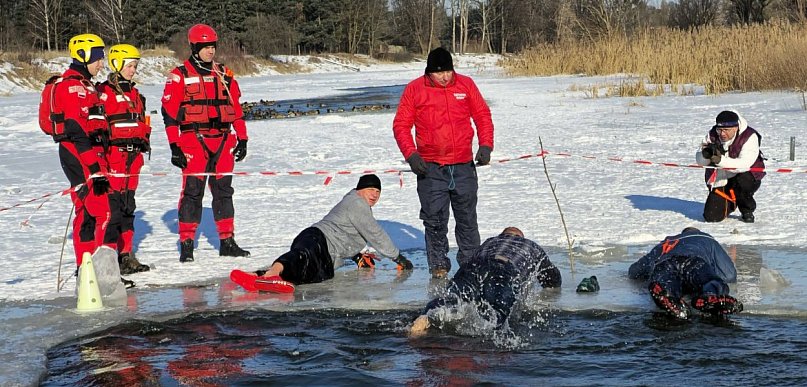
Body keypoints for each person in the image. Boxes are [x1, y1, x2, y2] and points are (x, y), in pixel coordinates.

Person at [392, 47, 494, 278]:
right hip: (430, 168)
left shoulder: (465, 85)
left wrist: (485, 145)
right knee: (435, 220)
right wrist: (411, 155)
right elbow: (401, 126)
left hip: (463, 166)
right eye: (439, 73)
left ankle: (471, 266)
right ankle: (438, 266)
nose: (445, 77)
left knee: (467, 219)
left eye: (448, 71)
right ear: (429, 73)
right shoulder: (415, 89)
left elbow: (482, 115)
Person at [230, 174, 414, 293]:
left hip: (322, 247)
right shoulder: (358, 204)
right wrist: (398, 258)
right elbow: (376, 234)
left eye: (378, 191)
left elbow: (344, 231)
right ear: (359, 191)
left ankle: (256, 277)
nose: (374, 194)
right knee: (302, 257)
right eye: (370, 190)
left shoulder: (354, 203)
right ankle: (271, 274)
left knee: (305, 271)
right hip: (318, 239)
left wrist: (356, 255)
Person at [161, 24, 250, 262]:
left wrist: (243, 138)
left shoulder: (224, 74)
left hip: (223, 140)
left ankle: (227, 241)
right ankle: (187, 243)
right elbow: (169, 114)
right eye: (205, 47)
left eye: (212, 47)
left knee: (224, 192)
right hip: (193, 140)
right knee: (192, 192)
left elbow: (236, 109)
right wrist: (174, 145)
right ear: (194, 47)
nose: (210, 52)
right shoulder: (179, 76)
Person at [409, 227, 561, 336]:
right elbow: (552, 278)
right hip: (504, 270)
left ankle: (423, 319)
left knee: (451, 299)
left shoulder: (491, 241)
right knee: (498, 317)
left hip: (473, 267)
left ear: (502, 235)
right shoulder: (532, 246)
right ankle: (488, 347)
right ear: (521, 237)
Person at [49, 33, 119, 266]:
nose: (101, 64)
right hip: (79, 154)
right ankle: (103, 269)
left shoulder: (86, 85)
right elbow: (77, 131)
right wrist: (94, 169)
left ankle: (86, 268)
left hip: (89, 153)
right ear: (83, 56)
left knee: (87, 214)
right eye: (98, 58)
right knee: (105, 211)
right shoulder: (71, 87)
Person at [97, 43, 151, 275]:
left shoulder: (136, 95)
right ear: (117, 65)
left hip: (133, 158)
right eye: (130, 66)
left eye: (135, 66)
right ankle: (108, 259)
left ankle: (126, 254)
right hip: (113, 158)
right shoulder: (103, 92)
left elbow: (142, 123)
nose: (133, 70)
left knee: (129, 207)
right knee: (113, 209)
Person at [628, 227, 742, 319]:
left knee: (667, 282)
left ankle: (668, 296)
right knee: (711, 281)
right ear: (698, 231)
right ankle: (710, 296)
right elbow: (729, 274)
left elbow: (634, 271)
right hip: (693, 262)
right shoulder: (705, 238)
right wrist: (712, 273)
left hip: (664, 264)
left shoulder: (666, 243)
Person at [695, 110, 765, 223]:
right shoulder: (712, 135)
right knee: (711, 217)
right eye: (719, 130)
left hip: (746, 175)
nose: (722, 134)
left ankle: (746, 209)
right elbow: (700, 161)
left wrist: (720, 160)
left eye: (726, 130)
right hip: (722, 178)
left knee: (743, 182)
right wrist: (706, 156)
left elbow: (744, 164)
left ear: (736, 128)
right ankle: (730, 201)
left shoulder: (749, 136)